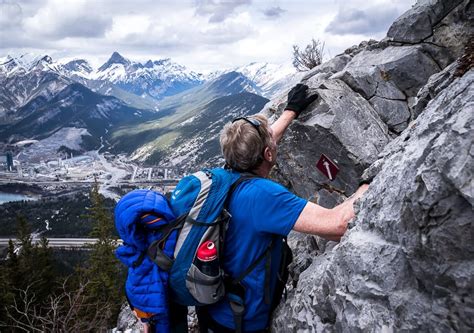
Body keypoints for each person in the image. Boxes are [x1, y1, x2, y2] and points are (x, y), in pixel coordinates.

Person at [195, 84, 369, 332]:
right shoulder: (263, 196)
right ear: (267, 154)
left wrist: (291, 111)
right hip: (241, 320)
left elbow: (263, 143)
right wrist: (370, 182)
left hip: (212, 309)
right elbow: (337, 225)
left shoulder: (224, 174)